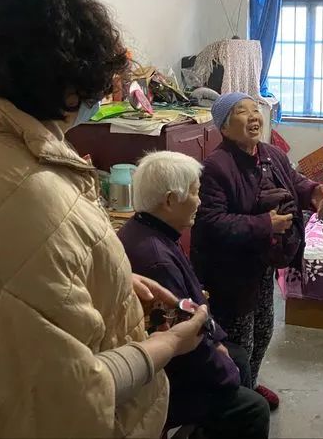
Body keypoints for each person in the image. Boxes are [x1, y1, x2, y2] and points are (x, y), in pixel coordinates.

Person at [0, 0, 208, 438]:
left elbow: (15, 282)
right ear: (63, 74)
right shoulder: (27, 193)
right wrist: (168, 346)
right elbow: (68, 393)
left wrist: (112, 277)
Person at [191, 92, 323, 410]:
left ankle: (250, 386)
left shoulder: (271, 154)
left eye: (256, 110)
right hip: (230, 273)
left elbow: (294, 180)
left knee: (264, 330)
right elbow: (211, 223)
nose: (254, 117)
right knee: (239, 343)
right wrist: (265, 224)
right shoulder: (216, 167)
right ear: (224, 127)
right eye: (243, 112)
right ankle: (236, 402)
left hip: (263, 265)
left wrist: (314, 193)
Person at [118, 151, 270, 439]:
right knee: (253, 408)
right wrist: (225, 369)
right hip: (169, 375)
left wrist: (218, 343)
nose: (199, 202)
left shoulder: (149, 230)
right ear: (170, 201)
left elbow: (193, 301)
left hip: (181, 352)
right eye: (194, 193)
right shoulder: (156, 259)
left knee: (237, 355)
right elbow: (182, 343)